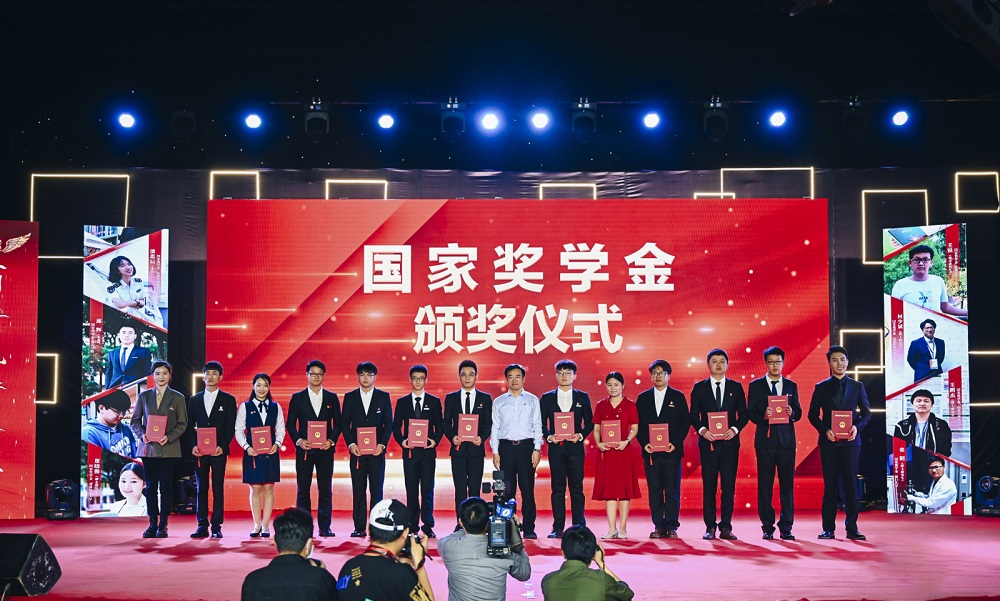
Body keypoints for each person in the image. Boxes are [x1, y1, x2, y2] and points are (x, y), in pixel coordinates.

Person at [808, 345, 872, 540]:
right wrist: (824, 430)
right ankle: (828, 528)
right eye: (835, 360)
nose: (839, 363)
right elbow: (812, 415)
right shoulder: (821, 387)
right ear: (829, 363)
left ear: (847, 362)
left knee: (852, 485)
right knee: (830, 486)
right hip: (829, 443)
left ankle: (852, 528)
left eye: (842, 359)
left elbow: (867, 413)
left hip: (851, 443)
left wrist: (857, 428)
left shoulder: (857, 386)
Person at [688, 348, 748, 540]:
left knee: (728, 486)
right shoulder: (700, 388)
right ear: (708, 365)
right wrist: (703, 430)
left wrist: (735, 429)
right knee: (709, 486)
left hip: (730, 445)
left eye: (722, 361)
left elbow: (744, 415)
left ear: (727, 364)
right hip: (709, 445)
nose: (718, 364)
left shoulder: (735, 387)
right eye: (714, 361)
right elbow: (693, 415)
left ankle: (726, 526)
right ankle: (710, 527)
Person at [747, 346, 802, 541]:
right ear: (766, 364)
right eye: (771, 362)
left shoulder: (791, 385)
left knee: (787, 485)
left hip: (786, 442)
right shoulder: (756, 385)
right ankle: (767, 527)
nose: (775, 365)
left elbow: (798, 412)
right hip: (765, 441)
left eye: (778, 362)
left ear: (783, 363)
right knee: (765, 485)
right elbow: (750, 413)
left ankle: (786, 527)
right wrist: (763, 416)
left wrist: (791, 414)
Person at [130, 360, 188, 538]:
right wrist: (142, 435)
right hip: (148, 448)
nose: (161, 377)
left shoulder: (178, 397)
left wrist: (169, 437)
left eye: (164, 373)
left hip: (168, 448)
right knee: (150, 487)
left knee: (166, 487)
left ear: (170, 376)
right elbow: (135, 421)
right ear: (153, 376)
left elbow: (182, 423)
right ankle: (152, 523)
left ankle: (163, 524)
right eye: (157, 373)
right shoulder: (144, 396)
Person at [336, 499, 433, 601]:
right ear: (405, 533)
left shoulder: (348, 567)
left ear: (368, 529)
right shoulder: (402, 574)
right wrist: (419, 566)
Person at [286, 360, 342, 538]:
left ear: (324, 376)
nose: (316, 377)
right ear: (307, 375)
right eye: (313, 373)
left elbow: (338, 424)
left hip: (325, 451)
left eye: (319, 374)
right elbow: (290, 424)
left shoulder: (332, 398)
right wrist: (299, 441)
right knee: (303, 490)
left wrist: (331, 441)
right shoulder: (297, 398)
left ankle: (325, 527)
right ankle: (304, 527)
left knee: (325, 490)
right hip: (305, 451)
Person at [539, 359, 594, 539]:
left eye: (568, 373)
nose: (564, 376)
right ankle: (558, 527)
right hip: (556, 450)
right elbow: (541, 423)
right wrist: (549, 437)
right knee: (557, 489)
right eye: (560, 373)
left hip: (575, 450)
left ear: (574, 376)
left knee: (576, 488)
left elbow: (590, 423)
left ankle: (579, 526)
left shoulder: (582, 397)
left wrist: (580, 435)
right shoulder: (547, 398)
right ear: (556, 375)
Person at [437, 496, 530, 601]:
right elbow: (524, 574)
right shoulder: (503, 550)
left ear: (460, 522)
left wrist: (471, 524)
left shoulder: (447, 546)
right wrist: (515, 533)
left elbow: (453, 535)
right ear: (488, 522)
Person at [635, 359, 688, 539]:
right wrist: (644, 443)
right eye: (655, 373)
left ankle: (672, 526)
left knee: (672, 490)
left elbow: (685, 423)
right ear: (651, 376)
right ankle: (658, 525)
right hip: (651, 453)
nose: (658, 376)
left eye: (662, 373)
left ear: (668, 376)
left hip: (672, 452)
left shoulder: (678, 397)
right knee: (655, 490)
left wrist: (676, 443)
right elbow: (637, 425)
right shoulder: (643, 398)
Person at [491, 363, 543, 539]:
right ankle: (508, 526)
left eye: (518, 376)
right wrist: (495, 451)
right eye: (511, 377)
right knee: (507, 490)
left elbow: (537, 425)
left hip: (526, 448)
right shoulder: (499, 402)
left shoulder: (532, 400)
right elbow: (495, 428)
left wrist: (537, 449)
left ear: (524, 379)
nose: (514, 380)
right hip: (505, 448)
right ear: (506, 379)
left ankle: (529, 527)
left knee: (527, 490)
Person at [186, 360, 237, 539]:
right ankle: (202, 525)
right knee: (201, 488)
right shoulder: (194, 399)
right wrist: (193, 445)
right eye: (207, 373)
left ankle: (216, 526)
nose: (210, 376)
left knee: (217, 488)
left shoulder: (228, 400)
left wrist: (222, 446)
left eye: (214, 373)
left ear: (220, 377)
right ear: (203, 377)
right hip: (200, 452)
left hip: (218, 452)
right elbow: (189, 426)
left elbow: (231, 427)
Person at [341, 361, 393, 537]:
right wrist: (351, 444)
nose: (365, 378)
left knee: (376, 491)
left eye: (369, 375)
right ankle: (359, 527)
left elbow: (388, 424)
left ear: (374, 377)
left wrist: (382, 444)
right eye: (362, 374)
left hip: (377, 453)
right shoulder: (350, 397)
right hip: (357, 453)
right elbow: (344, 423)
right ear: (358, 376)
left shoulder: (383, 397)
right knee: (358, 490)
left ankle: (376, 527)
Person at [241, 507, 338, 601]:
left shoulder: (252, 581)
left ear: (274, 540)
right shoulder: (322, 579)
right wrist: (320, 574)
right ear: (309, 544)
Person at [392, 364, 443, 538]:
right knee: (411, 490)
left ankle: (428, 525)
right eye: (415, 378)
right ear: (410, 380)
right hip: (410, 453)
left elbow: (440, 426)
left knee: (427, 490)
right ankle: (412, 525)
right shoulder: (403, 402)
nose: (418, 381)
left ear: (426, 380)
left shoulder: (434, 402)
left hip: (428, 453)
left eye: (421, 378)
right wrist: (402, 441)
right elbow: (396, 427)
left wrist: (435, 441)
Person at [442, 359, 493, 531]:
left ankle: (475, 524)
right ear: (459, 377)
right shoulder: (451, 398)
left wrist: (481, 438)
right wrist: (452, 437)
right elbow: (446, 423)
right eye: (464, 375)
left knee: (475, 489)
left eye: (471, 374)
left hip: (476, 450)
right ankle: (460, 523)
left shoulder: (485, 398)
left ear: (476, 376)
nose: (467, 378)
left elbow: (488, 424)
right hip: (458, 450)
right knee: (460, 490)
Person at [591, 372, 641, 540]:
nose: (613, 388)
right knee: (610, 492)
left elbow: (635, 428)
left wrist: (626, 441)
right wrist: (598, 443)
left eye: (616, 385)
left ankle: (623, 528)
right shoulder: (601, 405)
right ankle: (612, 528)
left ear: (623, 386)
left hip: (623, 451)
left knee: (625, 491)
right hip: (606, 453)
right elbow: (596, 428)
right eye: (610, 385)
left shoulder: (630, 405)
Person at [236, 373, 286, 538]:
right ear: (253, 386)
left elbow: (281, 429)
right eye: (258, 385)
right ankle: (256, 525)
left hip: (271, 453)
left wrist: (277, 444)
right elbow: (239, 430)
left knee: (269, 488)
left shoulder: (276, 407)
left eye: (265, 385)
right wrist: (246, 447)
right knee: (256, 488)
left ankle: (265, 526)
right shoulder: (245, 407)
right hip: (252, 453)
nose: (262, 388)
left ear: (269, 387)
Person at [540, 525, 635, 601]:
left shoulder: (548, 581)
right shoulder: (601, 579)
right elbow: (627, 594)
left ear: (563, 553)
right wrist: (601, 563)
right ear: (593, 552)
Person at [890, 244, 967, 317]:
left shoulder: (938, 281)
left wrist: (967, 313)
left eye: (925, 260)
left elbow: (946, 308)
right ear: (910, 263)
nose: (921, 263)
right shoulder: (900, 285)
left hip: (935, 325)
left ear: (931, 263)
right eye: (917, 260)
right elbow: (894, 312)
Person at [104, 255, 163, 325]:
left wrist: (132, 303)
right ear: (116, 270)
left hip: (139, 320)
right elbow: (119, 304)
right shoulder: (111, 286)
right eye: (122, 266)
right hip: (120, 322)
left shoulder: (138, 282)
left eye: (129, 264)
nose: (128, 267)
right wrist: (136, 302)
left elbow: (142, 301)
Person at [893, 389, 952, 457]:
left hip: (933, 462)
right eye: (918, 401)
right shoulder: (901, 426)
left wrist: (936, 461)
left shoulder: (941, 425)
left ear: (932, 404)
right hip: (909, 462)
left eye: (926, 401)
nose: (922, 404)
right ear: (912, 404)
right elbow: (897, 449)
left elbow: (946, 449)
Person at [82, 389, 137, 458]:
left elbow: (135, 456)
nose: (121, 415)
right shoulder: (89, 434)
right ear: (101, 408)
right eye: (117, 412)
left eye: (124, 412)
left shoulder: (125, 428)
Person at [104, 323, 152, 389]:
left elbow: (147, 371)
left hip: (135, 388)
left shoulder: (143, 351)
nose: (127, 335)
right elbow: (109, 372)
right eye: (124, 332)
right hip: (114, 388)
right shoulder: (112, 353)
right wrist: (108, 388)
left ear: (135, 336)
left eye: (130, 333)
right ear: (119, 335)